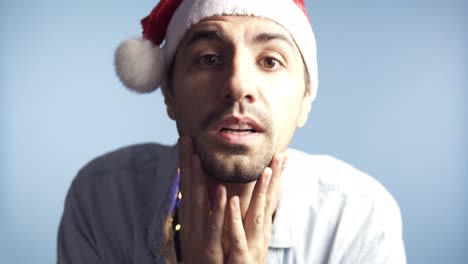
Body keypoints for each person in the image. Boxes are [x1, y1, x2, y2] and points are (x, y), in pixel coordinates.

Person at [57, 0, 406, 263]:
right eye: (209, 58)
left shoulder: (358, 219)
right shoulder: (103, 199)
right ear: (170, 95)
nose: (238, 85)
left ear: (304, 100)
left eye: (270, 61)